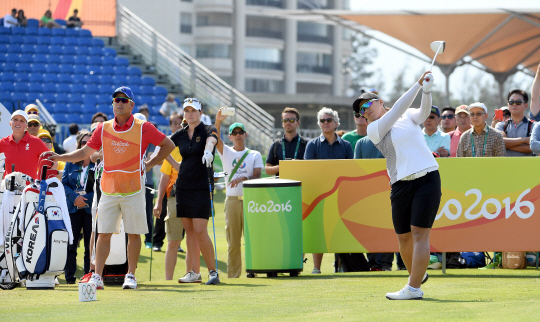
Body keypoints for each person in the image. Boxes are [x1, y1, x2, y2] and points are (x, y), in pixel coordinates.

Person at [45, 86, 175, 290]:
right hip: (109, 189)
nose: (120, 103)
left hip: (133, 189)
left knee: (133, 234)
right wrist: (59, 157)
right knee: (103, 233)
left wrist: (150, 164)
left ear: (131, 104)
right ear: (113, 104)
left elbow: (168, 145)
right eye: (117, 100)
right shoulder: (103, 127)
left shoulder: (143, 127)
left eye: (124, 100)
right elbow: (84, 152)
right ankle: (97, 276)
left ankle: (130, 275)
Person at [364, 71, 439, 300]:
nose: (364, 109)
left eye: (368, 103)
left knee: (419, 234)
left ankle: (413, 288)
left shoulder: (407, 116)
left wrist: (426, 90)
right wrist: (417, 85)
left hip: (427, 177)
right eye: (360, 109)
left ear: (380, 102)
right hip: (399, 185)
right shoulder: (373, 129)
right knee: (404, 237)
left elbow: (424, 113)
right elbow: (396, 109)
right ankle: (417, 275)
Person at [162, 98, 220, 284]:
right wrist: (172, 164)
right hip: (183, 186)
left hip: (202, 186)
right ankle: (194, 272)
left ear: (200, 113)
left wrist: (208, 150)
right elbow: (163, 147)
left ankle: (212, 272)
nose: (190, 114)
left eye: (193, 110)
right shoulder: (180, 134)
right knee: (190, 232)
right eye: (187, 111)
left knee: (200, 230)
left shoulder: (208, 129)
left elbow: (211, 140)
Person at [215, 110, 263, 278]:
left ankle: (253, 270)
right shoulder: (227, 152)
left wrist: (243, 177)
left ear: (245, 134)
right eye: (234, 133)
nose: (237, 135)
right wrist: (218, 122)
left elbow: (257, 176)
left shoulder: (254, 154)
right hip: (233, 201)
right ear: (230, 137)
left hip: (251, 200)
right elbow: (216, 139)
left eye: (240, 132)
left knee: (253, 239)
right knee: (233, 242)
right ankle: (234, 275)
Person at [305, 107, 353, 274]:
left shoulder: (346, 146)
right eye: (322, 120)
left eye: (329, 120)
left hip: (341, 194)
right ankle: (316, 268)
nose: (325, 123)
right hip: (319, 195)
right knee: (319, 231)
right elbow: (309, 171)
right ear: (319, 124)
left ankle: (339, 266)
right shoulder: (312, 145)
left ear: (336, 123)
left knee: (340, 230)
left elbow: (350, 171)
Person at [352, 98, 393, 271]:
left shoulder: (392, 134)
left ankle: (386, 263)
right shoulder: (361, 143)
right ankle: (374, 263)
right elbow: (357, 169)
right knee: (371, 228)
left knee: (389, 228)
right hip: (369, 194)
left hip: (391, 190)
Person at [153, 113, 186, 279]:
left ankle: (192, 274)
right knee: (173, 241)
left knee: (195, 238)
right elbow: (164, 177)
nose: (179, 126)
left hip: (193, 195)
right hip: (174, 196)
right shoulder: (171, 148)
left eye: (182, 123)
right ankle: (168, 280)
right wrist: (158, 202)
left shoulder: (198, 145)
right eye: (176, 123)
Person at [62, 130, 94, 284]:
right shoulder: (70, 161)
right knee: (71, 245)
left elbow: (101, 186)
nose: (86, 145)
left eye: (90, 142)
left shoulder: (98, 163)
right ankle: (69, 277)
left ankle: (88, 276)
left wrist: (85, 199)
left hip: (90, 209)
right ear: (79, 144)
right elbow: (64, 184)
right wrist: (75, 198)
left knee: (90, 246)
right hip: (73, 207)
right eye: (83, 142)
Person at [0, 111, 49, 180]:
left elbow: (52, 160)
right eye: (15, 119)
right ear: (10, 123)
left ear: (26, 125)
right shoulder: (3, 142)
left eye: (22, 121)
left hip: (29, 189)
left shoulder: (36, 142)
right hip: (8, 188)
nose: (18, 122)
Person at [265, 107, 307, 176]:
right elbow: (267, 170)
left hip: (300, 185)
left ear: (298, 123)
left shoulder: (306, 144)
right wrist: (283, 166)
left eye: (291, 120)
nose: (288, 122)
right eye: (285, 120)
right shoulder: (276, 145)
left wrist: (299, 164)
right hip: (281, 185)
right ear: (282, 123)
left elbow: (312, 167)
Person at [494, 89, 534, 156]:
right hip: (505, 166)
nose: (514, 104)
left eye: (518, 102)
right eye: (511, 102)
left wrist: (507, 144)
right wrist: (525, 140)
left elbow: (534, 147)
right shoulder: (500, 125)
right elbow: (498, 143)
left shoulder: (534, 125)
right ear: (508, 105)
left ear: (525, 106)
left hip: (527, 166)